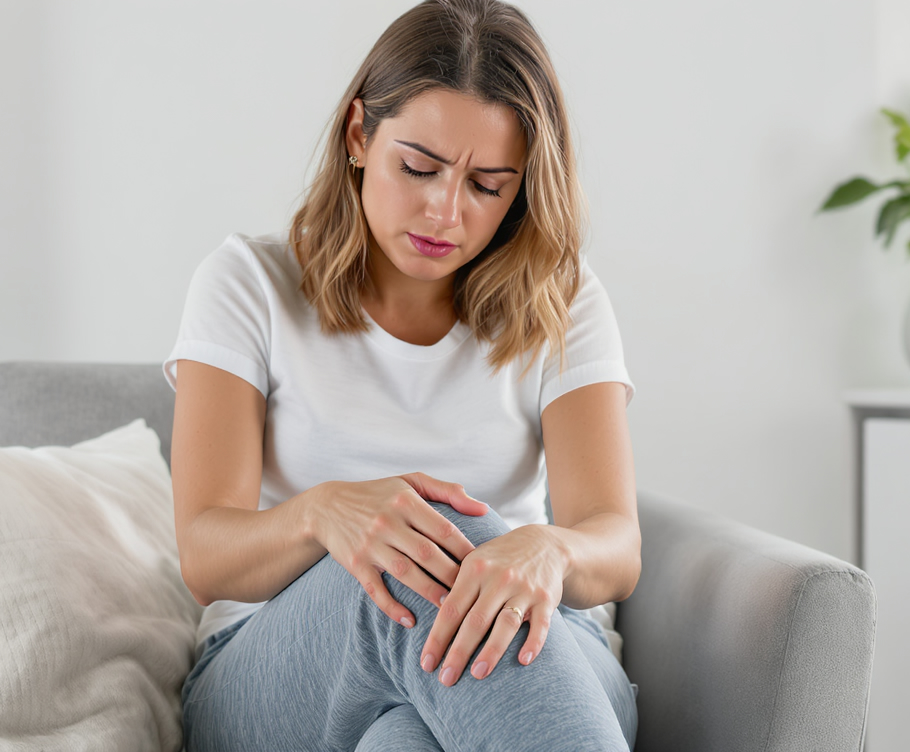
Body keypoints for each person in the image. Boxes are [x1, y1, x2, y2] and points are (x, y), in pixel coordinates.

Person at [163, 0, 641, 748]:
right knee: (425, 543)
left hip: (537, 643)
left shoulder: (564, 296)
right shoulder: (248, 283)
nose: (446, 212)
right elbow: (204, 556)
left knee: (402, 739)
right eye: (418, 167)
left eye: (488, 185)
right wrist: (324, 515)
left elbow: (615, 546)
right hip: (277, 668)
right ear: (359, 135)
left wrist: (549, 548)